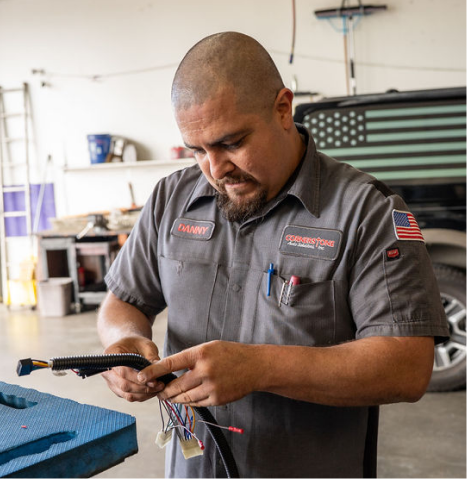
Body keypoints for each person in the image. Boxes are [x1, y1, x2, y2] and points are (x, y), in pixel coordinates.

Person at [98, 32, 449, 479]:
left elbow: (407, 367)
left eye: (231, 142)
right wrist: (123, 343)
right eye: (198, 150)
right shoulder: (173, 197)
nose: (215, 169)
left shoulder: (368, 211)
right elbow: (122, 300)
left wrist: (260, 367)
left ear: (283, 108)